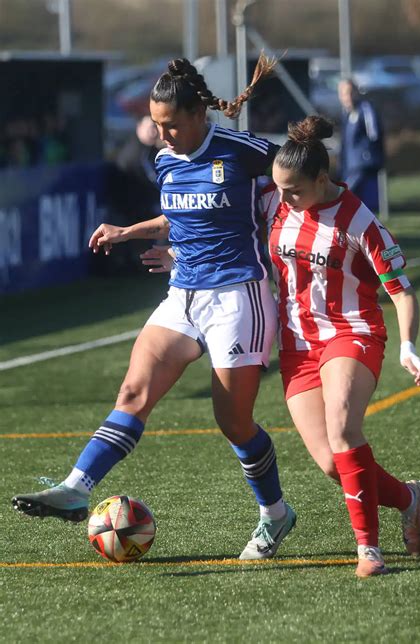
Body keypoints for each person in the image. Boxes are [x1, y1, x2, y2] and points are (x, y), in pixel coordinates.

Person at [11, 55, 296, 561]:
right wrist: (129, 232)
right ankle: (77, 487)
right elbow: (176, 217)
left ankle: (275, 514)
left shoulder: (241, 151)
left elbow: (300, 174)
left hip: (238, 298)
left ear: (198, 117)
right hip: (183, 294)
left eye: (171, 125)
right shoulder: (166, 161)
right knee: (133, 390)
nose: (162, 135)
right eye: (156, 124)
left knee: (234, 422)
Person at [263, 115, 420, 577]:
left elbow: (401, 290)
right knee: (333, 464)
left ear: (323, 179)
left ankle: (368, 551)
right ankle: (408, 497)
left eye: (293, 190)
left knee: (342, 431)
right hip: (297, 347)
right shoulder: (279, 201)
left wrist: (408, 346)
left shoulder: (360, 221)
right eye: (278, 189)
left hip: (352, 333)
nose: (283, 198)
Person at [338, 79, 385, 213]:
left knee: (350, 199)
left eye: (350, 92)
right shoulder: (346, 114)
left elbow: (374, 134)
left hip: (363, 166)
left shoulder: (365, 109)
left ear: (357, 92)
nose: (348, 97)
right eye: (344, 94)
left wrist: (369, 156)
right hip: (350, 167)